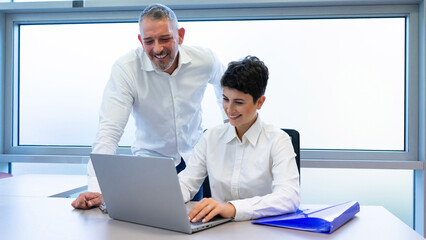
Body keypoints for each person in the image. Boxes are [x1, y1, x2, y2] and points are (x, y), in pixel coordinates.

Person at [72, 3, 225, 209]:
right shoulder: (126, 69)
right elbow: (109, 132)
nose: (158, 49)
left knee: (189, 226)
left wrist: (228, 131)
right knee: (149, 224)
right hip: (150, 165)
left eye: (165, 39)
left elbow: (227, 90)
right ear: (140, 41)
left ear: (180, 35)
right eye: (149, 41)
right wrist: (96, 189)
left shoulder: (204, 60)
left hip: (193, 164)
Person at [178, 56, 300, 222]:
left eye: (239, 102)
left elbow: (289, 196)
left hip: (263, 230)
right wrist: (165, 197)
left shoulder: (278, 140)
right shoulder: (210, 137)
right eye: (225, 99)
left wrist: (232, 208)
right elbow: (187, 183)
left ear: (260, 102)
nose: (229, 109)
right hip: (218, 230)